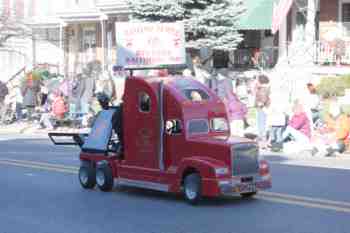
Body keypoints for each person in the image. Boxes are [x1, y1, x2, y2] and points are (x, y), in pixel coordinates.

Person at [254, 74, 271, 142]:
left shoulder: (263, 89)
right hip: (261, 107)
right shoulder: (262, 88)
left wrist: (260, 104)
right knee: (261, 121)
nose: (256, 81)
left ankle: (262, 137)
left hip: (262, 108)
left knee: (261, 122)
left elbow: (263, 99)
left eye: (257, 80)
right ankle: (261, 136)